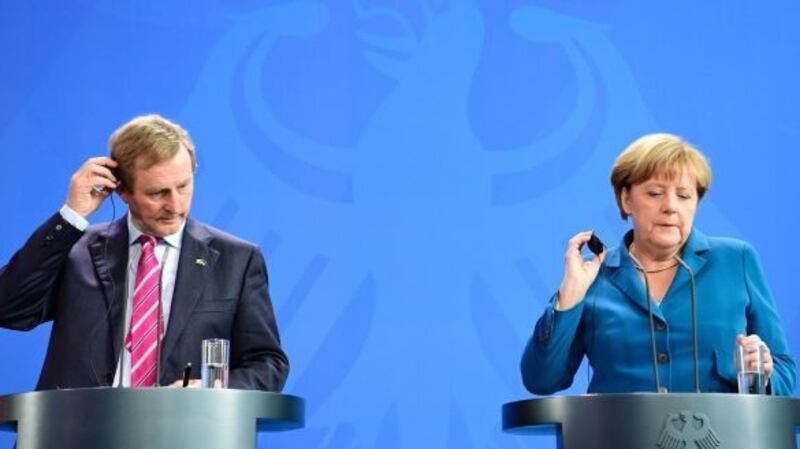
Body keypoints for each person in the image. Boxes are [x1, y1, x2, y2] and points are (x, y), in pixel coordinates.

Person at [0, 114, 288, 390]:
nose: (175, 206)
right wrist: (71, 216)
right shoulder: (76, 248)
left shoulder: (237, 260)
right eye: (157, 193)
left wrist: (212, 389)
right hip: (77, 432)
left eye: (184, 186)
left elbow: (268, 365)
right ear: (122, 190)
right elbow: (9, 309)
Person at [520, 133, 795, 395]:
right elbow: (541, 380)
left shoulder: (737, 260)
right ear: (626, 199)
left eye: (684, 196)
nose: (670, 207)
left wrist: (764, 373)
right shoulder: (593, 277)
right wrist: (569, 297)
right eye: (654, 193)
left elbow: (785, 374)